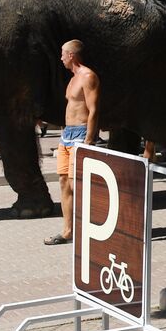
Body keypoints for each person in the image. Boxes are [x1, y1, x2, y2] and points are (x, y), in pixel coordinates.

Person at [45, 39, 99, 245]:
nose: (60, 58)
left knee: (79, 185)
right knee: (63, 182)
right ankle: (68, 231)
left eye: (62, 54)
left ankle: (94, 227)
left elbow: (93, 110)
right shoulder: (73, 78)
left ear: (71, 56)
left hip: (81, 135)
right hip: (66, 135)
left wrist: (89, 140)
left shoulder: (88, 76)